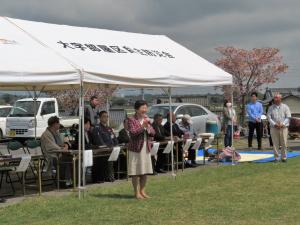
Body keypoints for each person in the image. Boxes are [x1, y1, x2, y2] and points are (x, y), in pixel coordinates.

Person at [127, 100, 155, 199]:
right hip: (135, 148)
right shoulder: (131, 120)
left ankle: (142, 191)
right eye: (142, 108)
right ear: (136, 109)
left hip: (145, 148)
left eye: (146, 108)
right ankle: (136, 192)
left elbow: (153, 132)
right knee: (135, 171)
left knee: (144, 171)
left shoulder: (146, 119)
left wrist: (148, 127)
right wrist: (142, 127)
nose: (144, 110)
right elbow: (133, 133)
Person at [40, 116, 72, 188]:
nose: (59, 125)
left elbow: (62, 143)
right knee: (67, 159)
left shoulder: (56, 133)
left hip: (59, 154)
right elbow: (52, 147)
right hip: (51, 156)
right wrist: (63, 149)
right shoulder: (46, 135)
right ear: (54, 124)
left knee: (73, 158)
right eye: (58, 123)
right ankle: (63, 182)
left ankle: (71, 180)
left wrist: (65, 145)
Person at [91, 111, 118, 182]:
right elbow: (99, 141)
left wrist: (115, 145)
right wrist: (106, 147)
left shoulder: (109, 128)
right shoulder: (97, 128)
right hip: (103, 151)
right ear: (100, 118)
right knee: (104, 164)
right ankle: (106, 177)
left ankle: (110, 177)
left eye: (107, 116)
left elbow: (114, 138)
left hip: (111, 149)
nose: (106, 118)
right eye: (104, 116)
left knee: (111, 163)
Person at [267, 93, 291, 162]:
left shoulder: (285, 107)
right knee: (275, 143)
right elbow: (269, 117)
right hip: (274, 128)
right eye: (274, 98)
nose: (275, 99)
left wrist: (283, 124)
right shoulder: (271, 107)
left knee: (284, 142)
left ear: (280, 99)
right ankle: (276, 158)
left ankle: (284, 158)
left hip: (283, 128)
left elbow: (288, 117)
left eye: (277, 98)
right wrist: (274, 124)